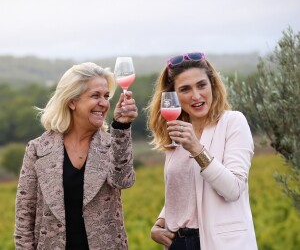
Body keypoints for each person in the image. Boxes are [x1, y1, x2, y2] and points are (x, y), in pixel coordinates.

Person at [14, 62, 138, 250]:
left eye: (106, 96)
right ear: (72, 101)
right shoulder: (37, 149)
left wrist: (121, 128)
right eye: (95, 96)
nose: (103, 103)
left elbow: (123, 181)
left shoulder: (112, 144)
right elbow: (24, 216)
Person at [146, 52, 258, 250]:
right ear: (173, 96)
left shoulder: (233, 122)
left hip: (221, 243)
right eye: (185, 89)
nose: (196, 96)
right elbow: (187, 189)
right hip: (178, 243)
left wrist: (197, 149)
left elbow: (233, 190)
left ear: (212, 85)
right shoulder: (177, 130)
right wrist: (161, 221)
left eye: (201, 85)